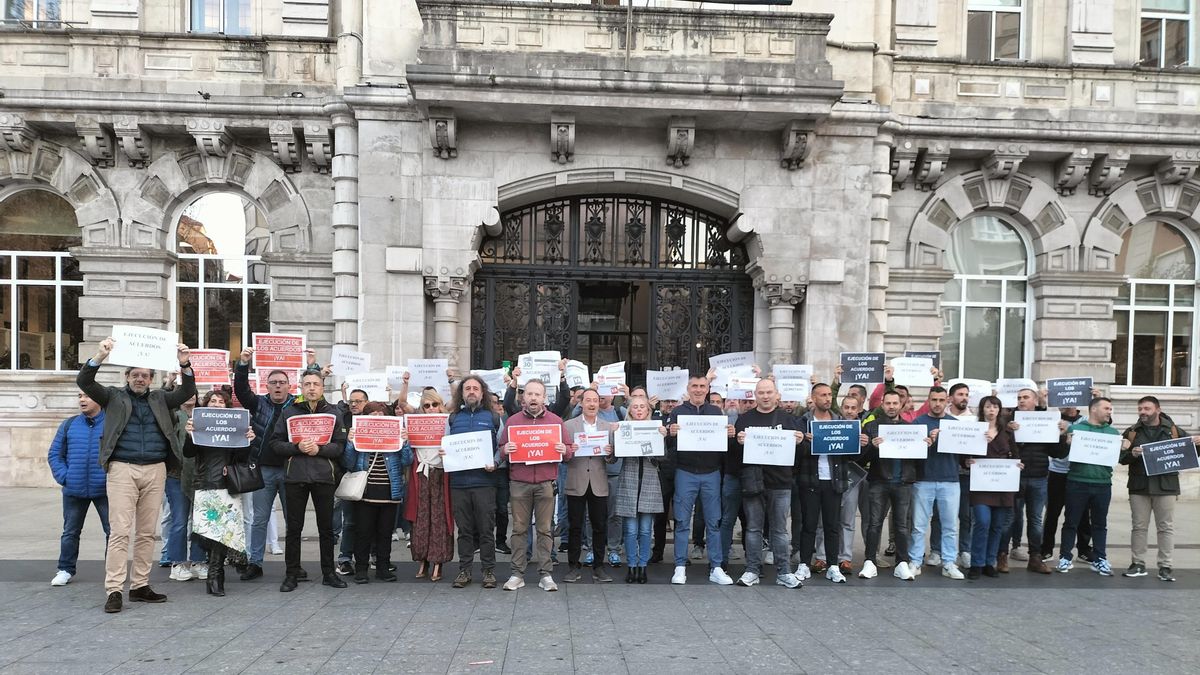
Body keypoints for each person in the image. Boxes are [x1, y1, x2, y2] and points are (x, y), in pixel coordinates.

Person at [77, 336, 196, 614]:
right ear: (127, 376)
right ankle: (115, 589)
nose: (140, 379)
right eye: (135, 375)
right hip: (122, 470)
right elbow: (85, 382)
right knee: (120, 532)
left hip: (155, 470)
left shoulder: (161, 399)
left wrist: (185, 364)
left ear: (151, 378)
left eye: (145, 375)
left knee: (146, 533)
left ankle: (140, 585)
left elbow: (187, 390)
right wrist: (100, 355)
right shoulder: (112, 396)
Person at [232, 347, 317, 582]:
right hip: (264, 470)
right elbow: (240, 389)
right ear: (266, 386)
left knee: (294, 521)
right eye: (273, 382)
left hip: (293, 470)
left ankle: (295, 566)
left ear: (289, 386)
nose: (278, 386)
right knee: (259, 519)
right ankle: (255, 563)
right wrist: (243, 364)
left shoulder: (298, 406)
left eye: (282, 382)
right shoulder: (258, 404)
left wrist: (312, 366)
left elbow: (315, 393)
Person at [271, 371, 349, 592]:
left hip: (324, 477)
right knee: (294, 529)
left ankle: (329, 573)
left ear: (322, 387)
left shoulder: (334, 412)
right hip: (295, 476)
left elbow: (340, 446)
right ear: (301, 388)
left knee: (326, 529)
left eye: (315, 384)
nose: (311, 388)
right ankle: (291, 574)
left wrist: (319, 450)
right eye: (307, 384)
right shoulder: (288, 412)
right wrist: (297, 447)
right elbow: (275, 443)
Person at [182, 390, 255, 596]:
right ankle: (216, 572)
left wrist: (248, 439)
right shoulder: (199, 424)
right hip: (205, 483)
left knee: (224, 531)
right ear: (206, 404)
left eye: (221, 401)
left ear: (227, 406)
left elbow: (242, 457)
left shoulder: (235, 426)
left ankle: (215, 574)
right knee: (209, 531)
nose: (216, 404)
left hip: (228, 484)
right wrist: (190, 435)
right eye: (212, 401)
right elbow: (188, 453)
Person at [1119, 396, 1199, 582]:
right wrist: (1132, 453)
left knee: (1165, 527)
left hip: (1166, 486)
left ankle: (1165, 566)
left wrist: (1198, 443)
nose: (1142, 412)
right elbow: (1121, 458)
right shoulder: (1131, 432)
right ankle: (1137, 563)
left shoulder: (1173, 430)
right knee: (1139, 527)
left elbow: (1190, 451)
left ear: (1158, 409)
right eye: (1140, 409)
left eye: (1146, 408)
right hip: (1140, 486)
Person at [666, 374, 735, 586]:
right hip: (685, 471)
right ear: (688, 388)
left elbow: (723, 447)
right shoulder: (677, 412)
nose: (698, 390)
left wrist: (729, 434)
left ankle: (716, 567)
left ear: (708, 389)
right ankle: (679, 567)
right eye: (694, 386)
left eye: (702, 386)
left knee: (714, 521)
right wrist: (671, 433)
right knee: (682, 521)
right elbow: (668, 446)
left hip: (711, 473)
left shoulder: (716, 412)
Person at [734, 379, 803, 588]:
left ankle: (784, 571)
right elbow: (735, 455)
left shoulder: (789, 420)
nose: (765, 396)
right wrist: (738, 443)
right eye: (761, 392)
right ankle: (752, 570)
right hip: (754, 483)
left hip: (780, 482)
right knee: (754, 529)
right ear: (755, 395)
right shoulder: (744, 419)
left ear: (777, 394)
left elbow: (800, 456)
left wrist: (801, 443)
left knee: (780, 530)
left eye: (769, 392)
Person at [499, 378, 567, 591]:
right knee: (519, 529)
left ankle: (545, 574)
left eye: (538, 394)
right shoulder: (513, 421)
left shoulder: (556, 421)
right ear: (523, 397)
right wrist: (505, 450)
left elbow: (570, 449)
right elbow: (500, 449)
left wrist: (565, 450)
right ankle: (517, 574)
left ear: (545, 397)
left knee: (545, 530)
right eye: (529, 394)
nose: (533, 398)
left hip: (546, 483)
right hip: (519, 482)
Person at [343, 402, 413, 584]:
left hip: (390, 492)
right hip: (365, 493)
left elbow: (407, 460)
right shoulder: (359, 436)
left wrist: (405, 442)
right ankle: (361, 569)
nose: (377, 417)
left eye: (381, 413)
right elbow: (349, 463)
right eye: (372, 413)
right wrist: (350, 442)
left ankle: (383, 568)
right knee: (363, 532)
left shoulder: (397, 435)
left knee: (385, 533)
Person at [444, 376, 503, 589]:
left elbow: (502, 446)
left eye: (475, 388)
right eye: (467, 388)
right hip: (459, 483)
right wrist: (444, 452)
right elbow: (445, 445)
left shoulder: (493, 418)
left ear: (482, 392)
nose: (471, 392)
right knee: (465, 530)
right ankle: (464, 570)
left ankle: (488, 571)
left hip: (484, 482)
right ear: (462, 393)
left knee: (487, 529)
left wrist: (495, 462)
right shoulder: (452, 419)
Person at [47, 391, 109, 587]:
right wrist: (65, 477)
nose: (82, 400)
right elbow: (55, 454)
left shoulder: (112, 423)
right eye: (80, 396)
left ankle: (113, 572)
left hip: (105, 489)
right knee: (70, 532)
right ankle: (65, 569)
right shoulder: (69, 424)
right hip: (74, 489)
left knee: (113, 532)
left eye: (88, 396)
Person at [795, 382, 852, 584]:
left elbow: (850, 453)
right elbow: (796, 453)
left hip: (834, 480)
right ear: (814, 397)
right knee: (809, 524)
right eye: (823, 395)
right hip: (810, 479)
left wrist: (859, 444)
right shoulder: (803, 421)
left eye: (829, 394)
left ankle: (833, 565)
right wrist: (803, 442)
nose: (827, 398)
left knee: (832, 525)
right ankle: (803, 563)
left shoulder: (840, 421)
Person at [1056, 397, 1120, 576]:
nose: (1109, 411)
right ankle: (1065, 557)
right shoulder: (1076, 429)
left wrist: (1126, 449)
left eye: (1110, 409)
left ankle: (1100, 558)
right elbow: (1060, 455)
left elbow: (1119, 459)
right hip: (1077, 481)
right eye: (1106, 408)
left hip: (1103, 484)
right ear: (1093, 409)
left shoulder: (1114, 433)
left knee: (1100, 523)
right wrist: (1065, 441)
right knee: (1071, 521)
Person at [908, 387, 966, 580]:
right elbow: (910, 454)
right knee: (918, 525)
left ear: (947, 401)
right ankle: (915, 561)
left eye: (941, 400)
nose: (938, 403)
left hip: (950, 480)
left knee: (950, 526)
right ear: (928, 400)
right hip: (923, 480)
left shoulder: (955, 424)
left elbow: (964, 453)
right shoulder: (918, 422)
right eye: (934, 399)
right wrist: (924, 443)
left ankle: (948, 562)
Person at [1005, 388, 1065, 574]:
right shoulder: (1009, 420)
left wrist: (1061, 435)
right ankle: (1001, 555)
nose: (1022, 401)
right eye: (1019, 398)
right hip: (1015, 477)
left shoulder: (1046, 421)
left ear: (1035, 401)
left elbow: (1058, 453)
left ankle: (1035, 557)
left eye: (1026, 397)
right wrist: (1009, 431)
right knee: (1010, 518)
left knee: (1036, 520)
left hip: (1039, 477)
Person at [859, 391, 916, 581]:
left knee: (901, 526)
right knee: (874, 523)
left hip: (903, 482)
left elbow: (918, 458)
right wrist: (871, 447)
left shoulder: (911, 428)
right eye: (888, 403)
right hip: (879, 481)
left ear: (902, 404)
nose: (891, 406)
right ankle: (870, 562)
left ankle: (902, 563)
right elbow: (861, 458)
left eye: (895, 403)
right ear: (882, 404)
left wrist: (926, 444)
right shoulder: (872, 427)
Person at [561, 389, 616, 583]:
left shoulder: (607, 427)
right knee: (575, 526)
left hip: (599, 482)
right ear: (581, 403)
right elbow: (562, 457)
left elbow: (611, 459)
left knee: (600, 526)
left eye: (595, 400)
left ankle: (598, 567)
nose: (592, 404)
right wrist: (569, 451)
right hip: (576, 481)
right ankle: (573, 566)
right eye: (588, 400)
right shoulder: (568, 426)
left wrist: (610, 452)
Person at [966, 396, 1021, 580]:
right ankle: (976, 563)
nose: (991, 410)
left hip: (1003, 484)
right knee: (982, 522)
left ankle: (990, 562)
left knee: (997, 526)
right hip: (981, 484)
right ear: (982, 409)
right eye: (988, 407)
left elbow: (1016, 454)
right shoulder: (975, 430)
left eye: (995, 407)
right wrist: (968, 461)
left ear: (999, 410)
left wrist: (1018, 465)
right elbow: (965, 454)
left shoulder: (1007, 431)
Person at [614, 396, 666, 583]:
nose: (638, 410)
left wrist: (661, 437)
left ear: (648, 410)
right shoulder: (623, 428)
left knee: (645, 530)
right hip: (629, 483)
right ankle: (631, 565)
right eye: (635, 407)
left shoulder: (656, 428)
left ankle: (642, 566)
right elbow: (613, 458)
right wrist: (613, 440)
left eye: (642, 407)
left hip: (649, 483)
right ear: (630, 410)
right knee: (630, 530)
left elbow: (663, 457)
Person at [406, 390, 455, 582]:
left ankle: (438, 561)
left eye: (435, 405)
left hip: (441, 473)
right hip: (421, 474)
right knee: (420, 518)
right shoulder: (414, 425)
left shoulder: (448, 422)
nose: (431, 409)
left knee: (440, 518)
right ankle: (423, 559)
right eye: (426, 406)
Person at [1042, 406, 1093, 564]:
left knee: (1083, 513)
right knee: (1052, 513)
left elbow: (1100, 423)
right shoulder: (1053, 419)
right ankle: (1046, 549)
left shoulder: (1085, 419)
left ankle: (1084, 550)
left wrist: (1094, 399)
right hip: (1057, 471)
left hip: (1078, 472)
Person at [165, 392, 206, 583]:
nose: (189, 397)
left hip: (200, 475)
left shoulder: (203, 415)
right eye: (185, 393)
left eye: (193, 393)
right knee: (179, 520)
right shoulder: (172, 415)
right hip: (176, 475)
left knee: (199, 521)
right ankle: (178, 563)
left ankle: (198, 560)